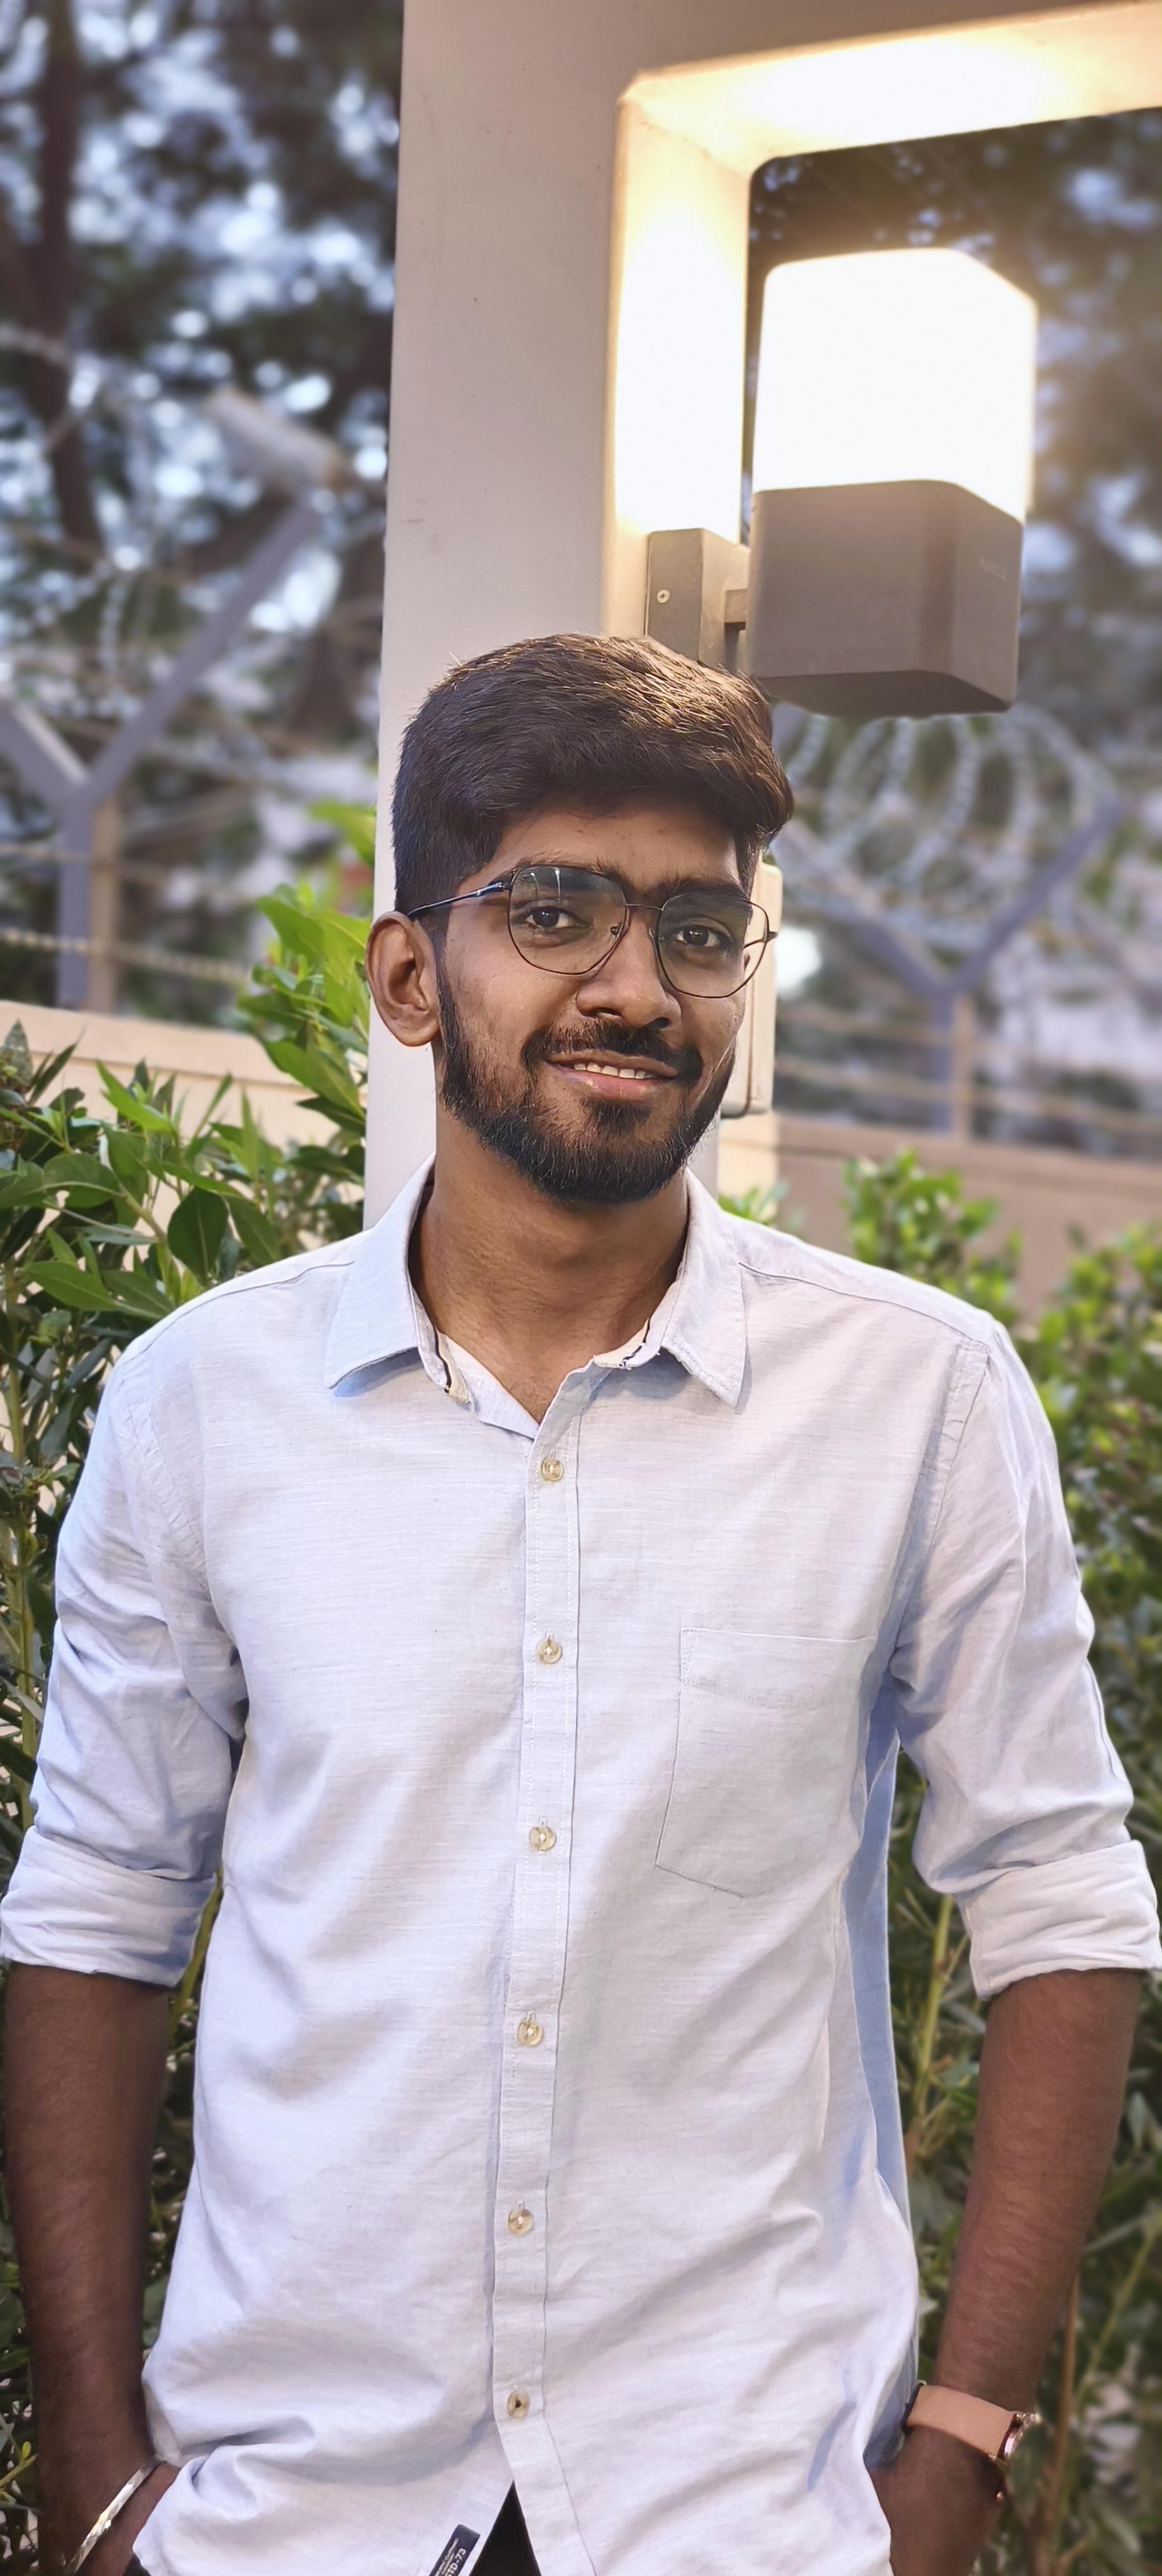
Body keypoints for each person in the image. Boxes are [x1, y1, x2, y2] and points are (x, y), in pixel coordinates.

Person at [3, 634, 1158, 2576]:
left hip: (743, 2508)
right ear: (407, 976)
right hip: (299, 2510)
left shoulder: (916, 1398)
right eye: (553, 912)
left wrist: (959, 2452)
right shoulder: (205, 1403)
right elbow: (98, 1911)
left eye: (698, 930)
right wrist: (98, 2473)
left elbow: (1063, 1904)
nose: (634, 985)